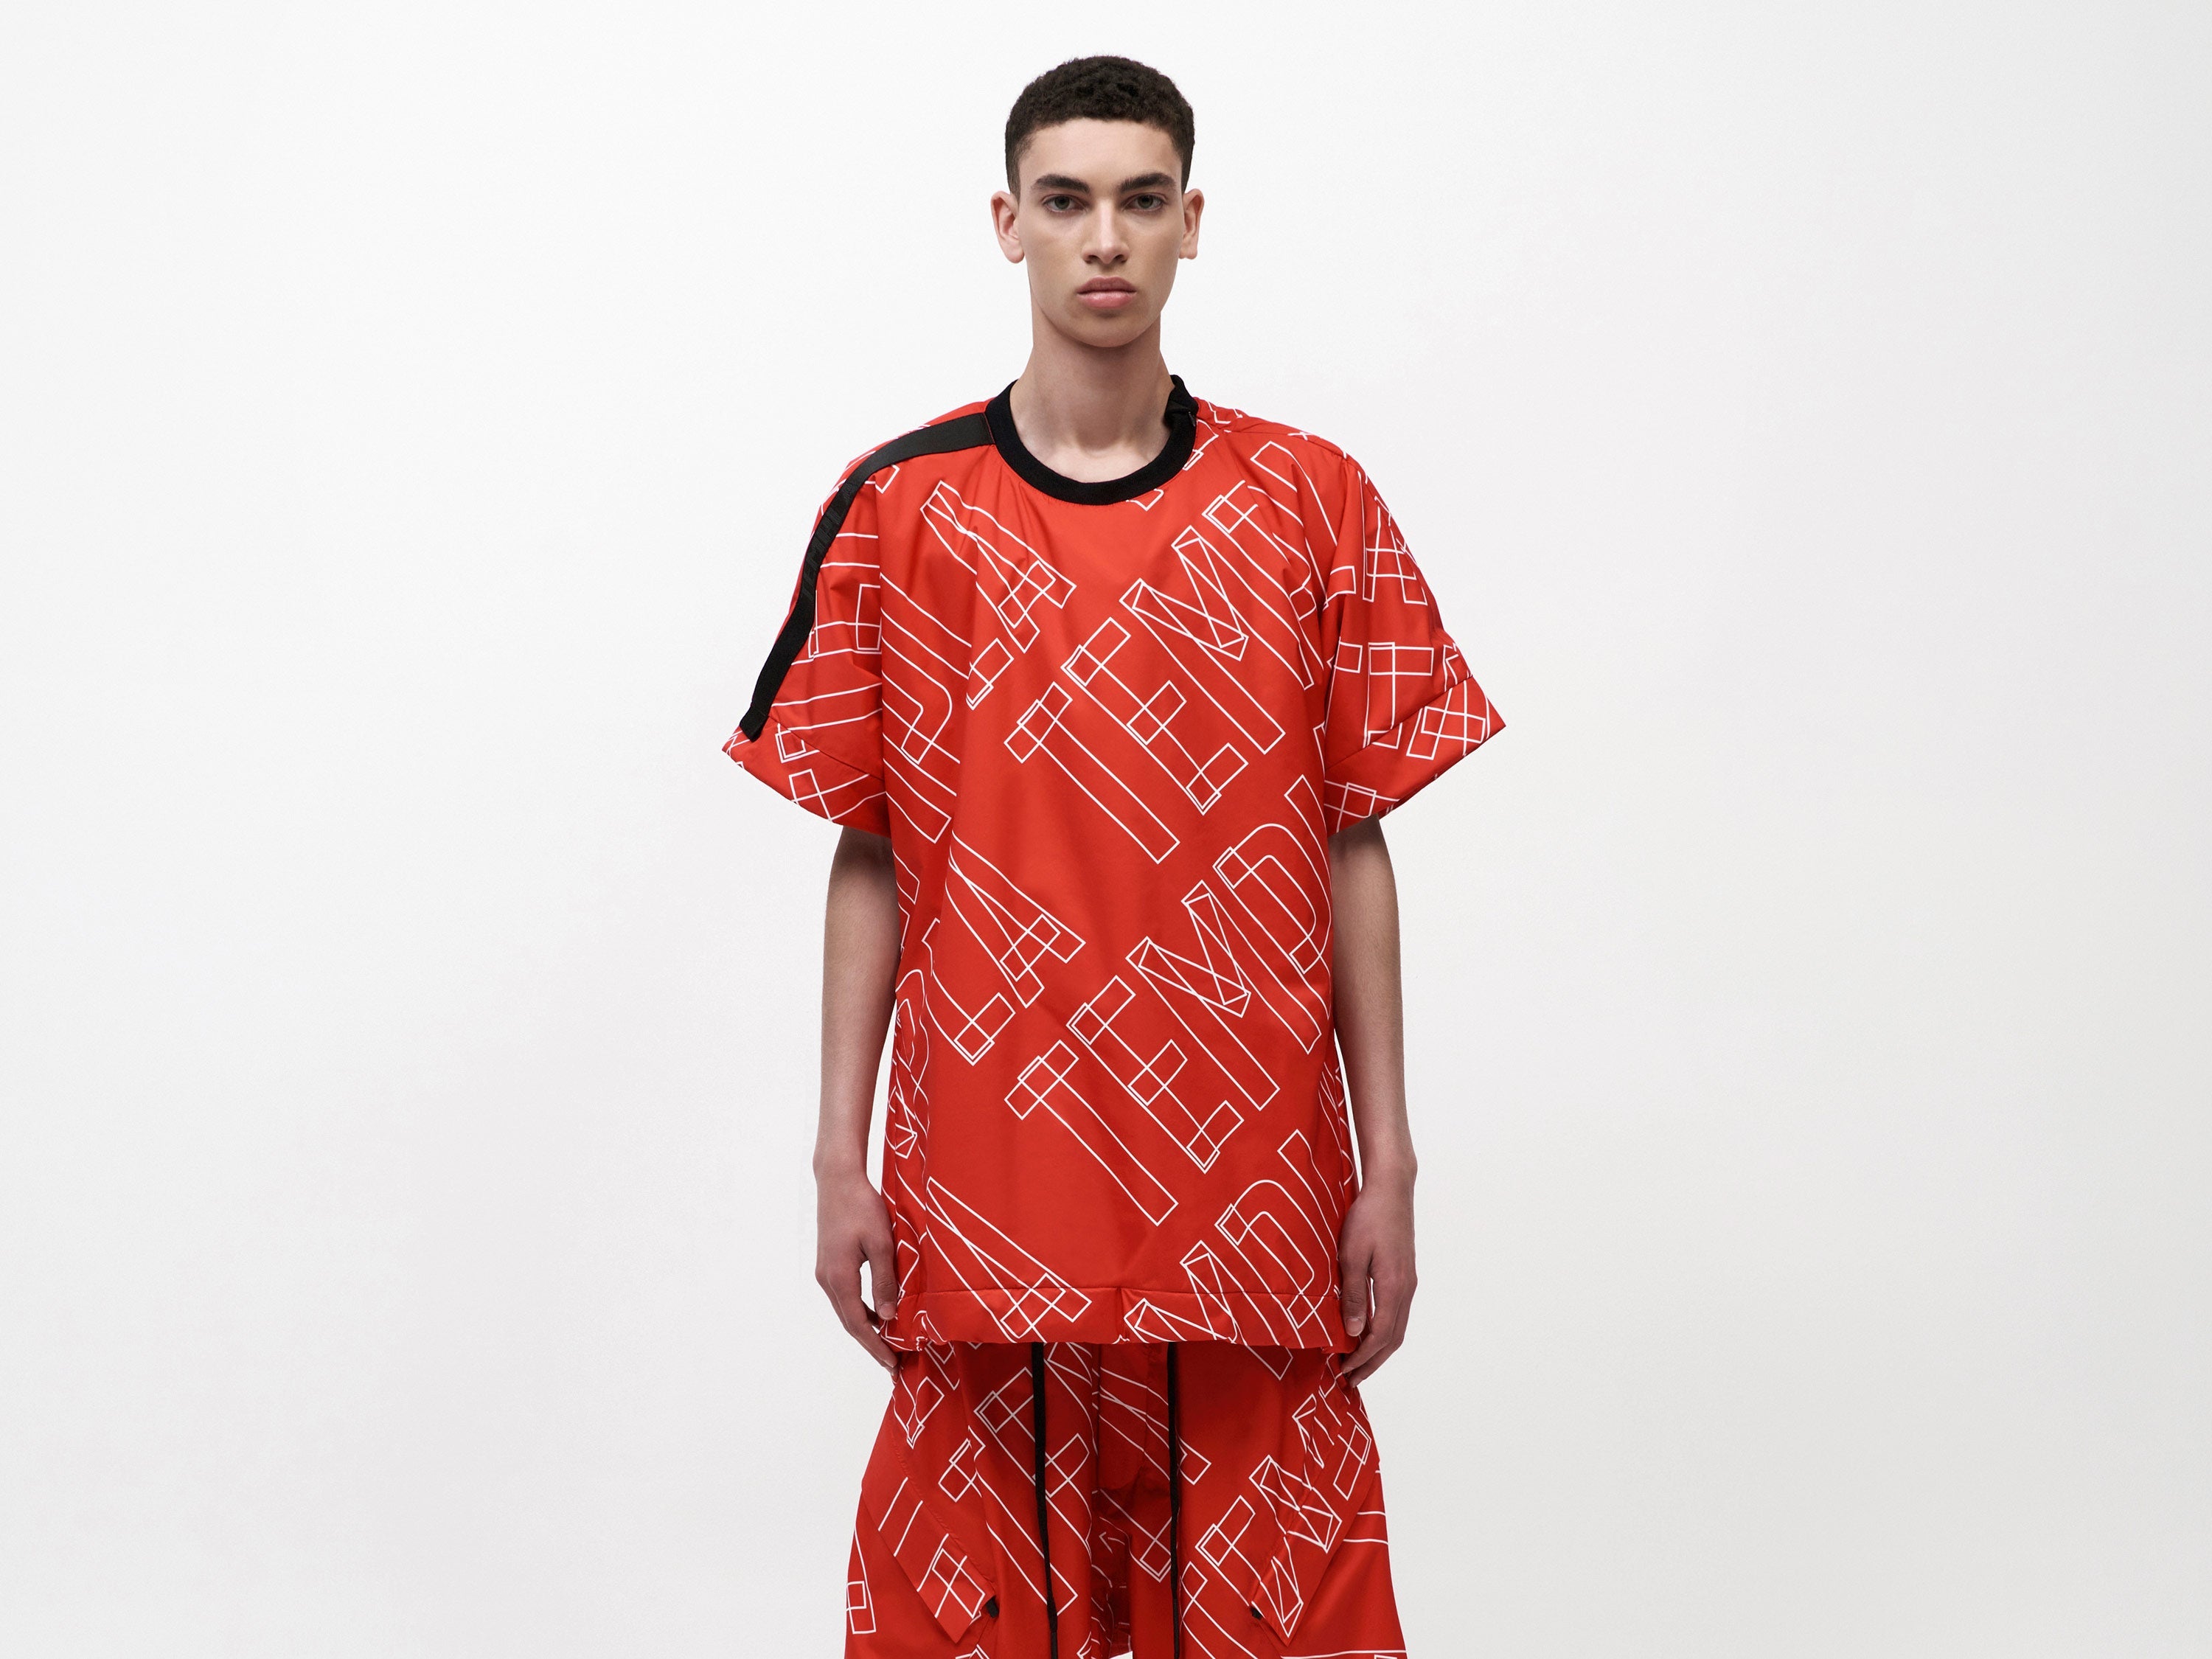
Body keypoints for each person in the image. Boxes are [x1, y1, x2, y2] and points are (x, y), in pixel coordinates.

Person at [724, 53, 1503, 1658]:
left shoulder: (1310, 500)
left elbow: (1353, 838)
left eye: (1141, 201)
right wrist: (835, 1155)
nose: (1104, 238)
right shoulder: (900, 507)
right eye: (1067, 200)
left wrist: (1392, 1160)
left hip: (1250, 1187)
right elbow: (870, 847)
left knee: (1279, 1607)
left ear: (1191, 223)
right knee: (974, 1610)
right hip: (990, 1181)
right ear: (1005, 221)